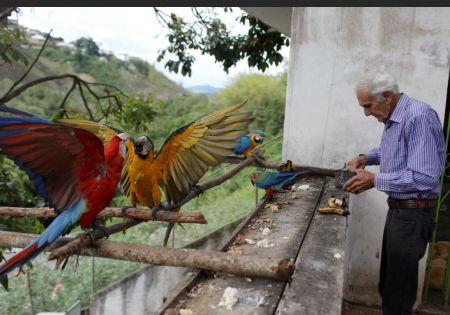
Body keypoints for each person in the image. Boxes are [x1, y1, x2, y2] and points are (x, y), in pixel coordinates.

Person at [343, 70, 446, 315]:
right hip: (400, 211)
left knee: (398, 294)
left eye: (368, 106)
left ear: (387, 96)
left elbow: (423, 177)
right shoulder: (395, 117)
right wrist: (366, 157)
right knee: (388, 285)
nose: (366, 113)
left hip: (413, 214)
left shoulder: (419, 116)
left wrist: (375, 179)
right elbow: (394, 150)